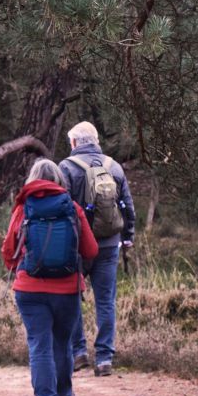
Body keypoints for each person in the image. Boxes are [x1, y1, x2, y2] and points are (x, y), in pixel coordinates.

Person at [2, 159, 98, 396]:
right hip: (67, 289)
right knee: (62, 344)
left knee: (39, 345)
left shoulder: (24, 207)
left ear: (32, 179)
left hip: (29, 290)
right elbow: (90, 250)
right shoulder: (72, 208)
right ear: (59, 180)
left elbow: (9, 250)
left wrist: (17, 268)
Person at [59, 121, 136, 377]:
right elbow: (126, 204)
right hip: (108, 244)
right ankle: (104, 359)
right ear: (96, 140)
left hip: (77, 246)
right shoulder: (113, 166)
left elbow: (63, 209)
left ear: (73, 143)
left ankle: (79, 353)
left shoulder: (66, 168)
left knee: (72, 299)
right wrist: (128, 236)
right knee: (105, 301)